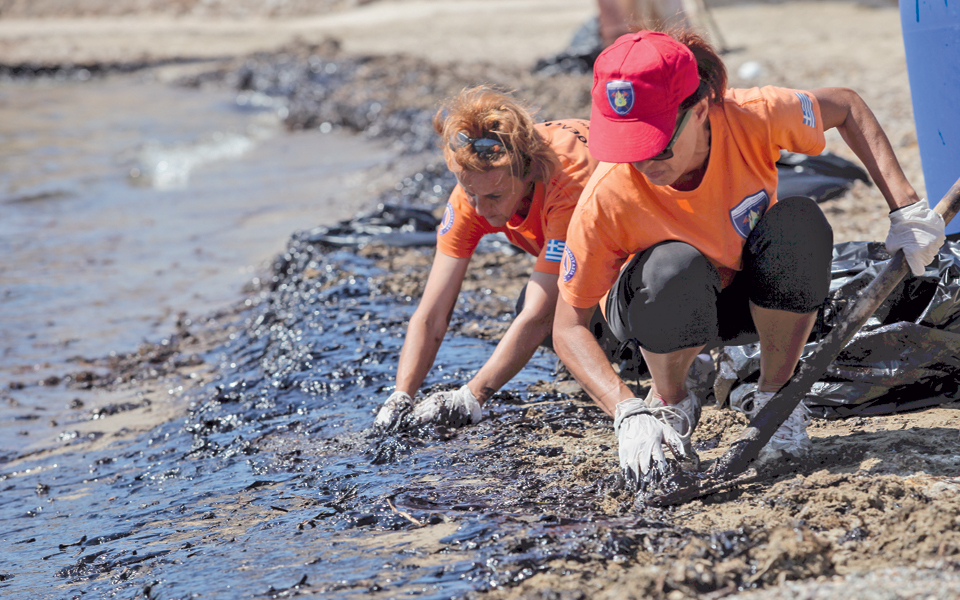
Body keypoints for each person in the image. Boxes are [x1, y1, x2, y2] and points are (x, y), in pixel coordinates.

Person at [552, 29, 946, 489]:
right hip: (653, 308)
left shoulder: (751, 115)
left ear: (699, 110)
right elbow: (568, 326)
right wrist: (627, 410)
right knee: (671, 264)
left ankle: (775, 397)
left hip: (743, 295)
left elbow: (846, 106)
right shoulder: (607, 195)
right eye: (627, 148)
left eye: (656, 145)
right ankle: (672, 400)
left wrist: (906, 207)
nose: (642, 163)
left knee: (799, 222)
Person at [374, 86, 600, 430]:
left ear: (526, 173)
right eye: (469, 193)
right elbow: (432, 312)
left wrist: (472, 396)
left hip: (639, 247)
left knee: (545, 309)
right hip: (581, 252)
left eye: (494, 195)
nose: (481, 209)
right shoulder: (476, 188)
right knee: (532, 302)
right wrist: (401, 394)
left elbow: (538, 315)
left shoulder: (566, 186)